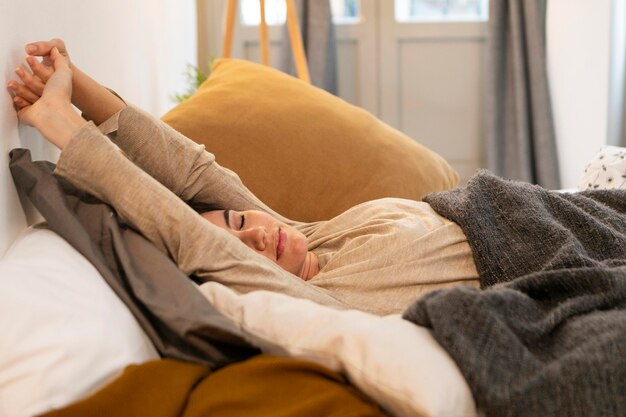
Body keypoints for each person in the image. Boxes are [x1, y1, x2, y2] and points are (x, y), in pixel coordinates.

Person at [7, 39, 479, 316]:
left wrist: (74, 81)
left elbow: (194, 172)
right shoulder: (317, 299)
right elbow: (189, 234)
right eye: (238, 250)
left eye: (237, 220)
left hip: (516, 219)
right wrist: (61, 127)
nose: (255, 234)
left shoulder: (313, 237)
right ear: (237, 273)